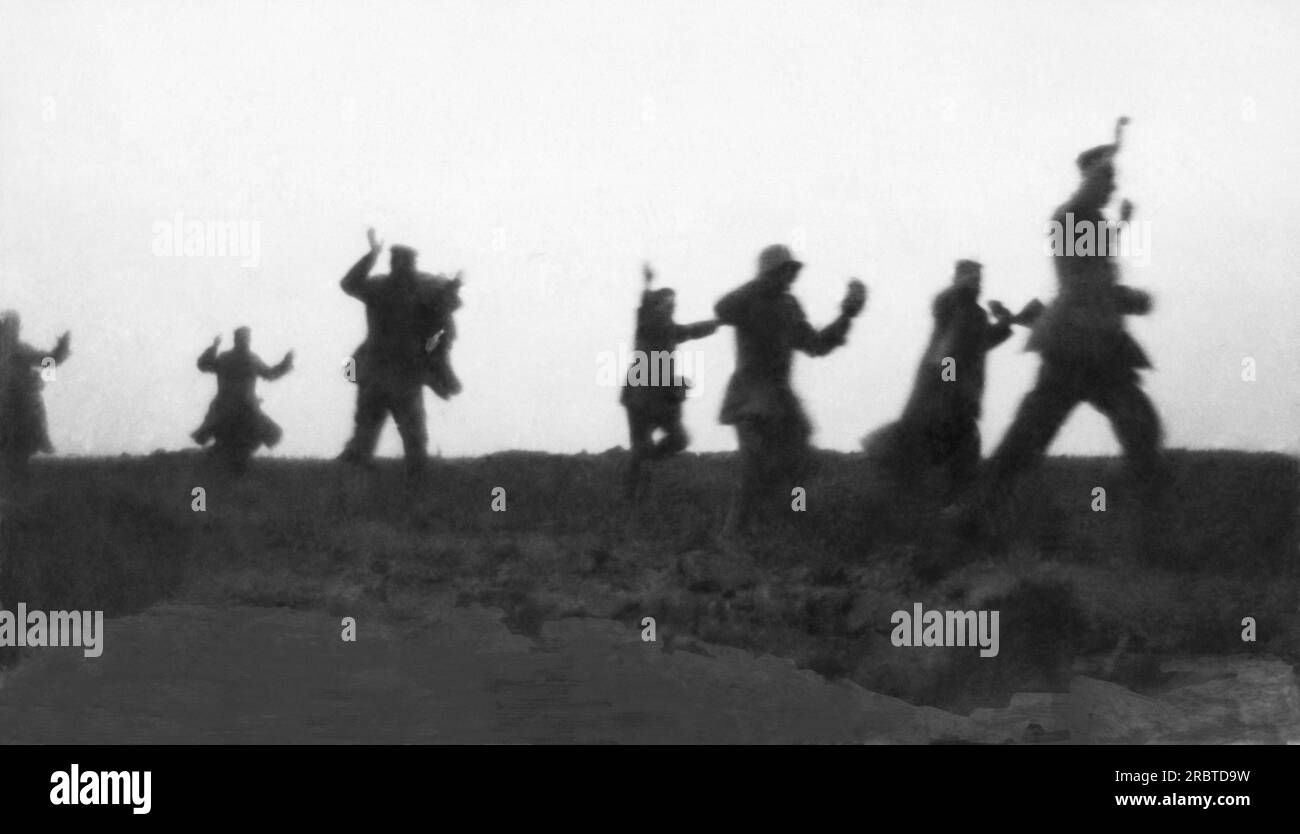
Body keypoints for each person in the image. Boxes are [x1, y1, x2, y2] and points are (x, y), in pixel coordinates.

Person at [977, 117, 1164, 521]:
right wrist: (1114, 147)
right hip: (1071, 347)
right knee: (1027, 440)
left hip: (1101, 349)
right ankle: (972, 516)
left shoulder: (1089, 222)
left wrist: (1130, 297)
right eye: (1108, 177)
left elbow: (1095, 278)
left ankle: (1131, 515)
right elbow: (1083, 277)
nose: (1113, 185)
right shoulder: (1070, 216)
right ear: (1090, 177)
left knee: (1142, 429)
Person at [714, 245, 866, 536]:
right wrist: (760, 284)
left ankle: (794, 518)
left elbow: (816, 344)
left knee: (800, 464)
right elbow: (722, 308)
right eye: (785, 271)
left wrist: (847, 316)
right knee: (753, 468)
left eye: (792, 272)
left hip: (780, 398)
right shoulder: (748, 300)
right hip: (750, 397)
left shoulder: (789, 306)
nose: (791, 278)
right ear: (771, 272)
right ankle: (733, 534)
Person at [862, 260, 1036, 498]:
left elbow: (974, 345)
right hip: (951, 402)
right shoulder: (965, 312)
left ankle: (915, 511)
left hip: (941, 401)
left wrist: (1004, 324)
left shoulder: (962, 312)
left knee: (923, 462)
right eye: (973, 279)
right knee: (955, 468)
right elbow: (951, 354)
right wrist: (950, 388)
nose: (977, 284)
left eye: (978, 279)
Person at [338, 228, 460, 479]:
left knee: (400, 434)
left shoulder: (402, 287)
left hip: (393, 372)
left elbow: (446, 306)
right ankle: (364, 483)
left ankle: (399, 484)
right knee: (383, 433)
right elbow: (348, 284)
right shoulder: (398, 287)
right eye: (400, 262)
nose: (402, 266)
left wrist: (372, 256)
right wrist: (371, 255)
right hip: (392, 372)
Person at [621, 262, 719, 497]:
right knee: (641, 445)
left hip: (661, 397)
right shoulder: (646, 324)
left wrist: (715, 324)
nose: (671, 306)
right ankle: (632, 494)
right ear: (657, 305)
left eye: (673, 303)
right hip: (640, 396)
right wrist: (648, 283)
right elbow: (645, 305)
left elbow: (692, 331)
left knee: (677, 439)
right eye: (666, 302)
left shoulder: (670, 329)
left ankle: (643, 467)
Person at [191, 327, 294, 463]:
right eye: (245, 339)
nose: (246, 341)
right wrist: (286, 363)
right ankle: (226, 455)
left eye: (247, 339)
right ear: (238, 340)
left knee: (270, 434)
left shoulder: (230, 358)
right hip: (241, 409)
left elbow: (203, 364)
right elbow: (270, 374)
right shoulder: (246, 359)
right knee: (271, 434)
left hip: (232, 408)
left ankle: (228, 455)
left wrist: (214, 347)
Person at [0, 310, 70, 474]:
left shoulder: (20, 349)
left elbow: (48, 361)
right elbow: (49, 361)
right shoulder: (16, 349)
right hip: (11, 403)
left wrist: (43, 380)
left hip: (21, 402)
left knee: (23, 439)